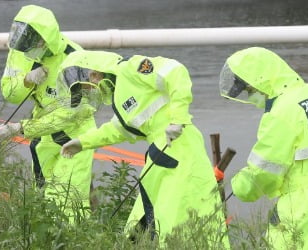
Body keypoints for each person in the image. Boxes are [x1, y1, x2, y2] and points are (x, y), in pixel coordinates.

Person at [60, 52, 230, 247]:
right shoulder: (119, 97)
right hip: (161, 153)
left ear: (94, 74)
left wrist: (178, 119)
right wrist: (82, 142)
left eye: (86, 87)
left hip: (180, 146)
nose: (89, 92)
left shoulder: (130, 69)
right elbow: (118, 129)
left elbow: (175, 72)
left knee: (178, 217)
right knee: (141, 226)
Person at [219, 47, 308, 249]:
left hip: (305, 207)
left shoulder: (280, 113)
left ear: (261, 82)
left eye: (249, 90)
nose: (250, 97)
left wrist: (239, 186)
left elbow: (263, 172)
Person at [0, 5, 95, 220]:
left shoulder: (75, 59)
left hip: (75, 136)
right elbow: (10, 93)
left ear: (45, 40)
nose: (26, 51)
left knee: (70, 201)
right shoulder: (20, 50)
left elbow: (70, 114)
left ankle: (80, 239)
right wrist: (26, 81)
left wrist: (20, 128)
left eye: (32, 45)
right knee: (43, 199)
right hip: (42, 137)